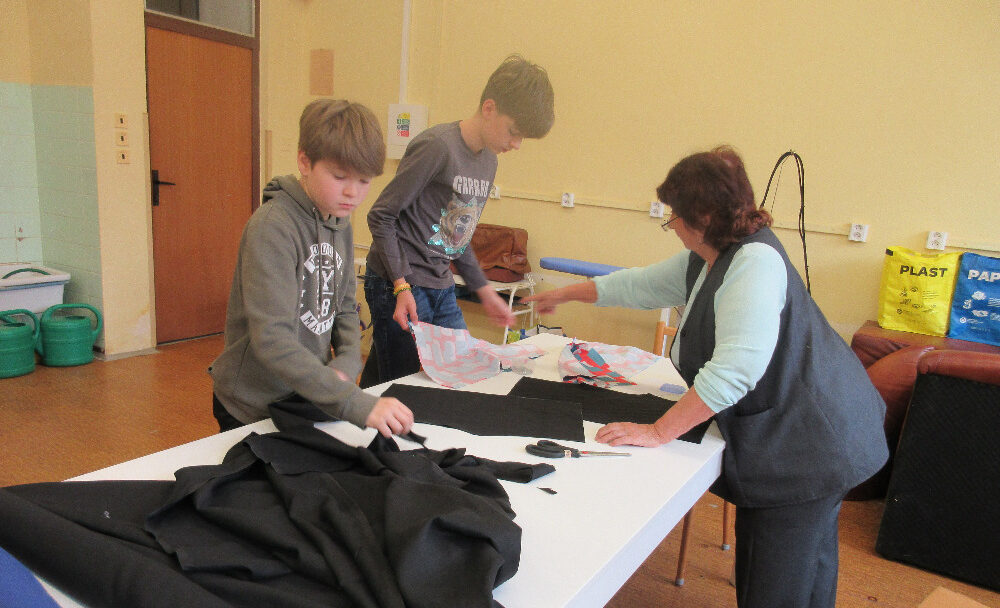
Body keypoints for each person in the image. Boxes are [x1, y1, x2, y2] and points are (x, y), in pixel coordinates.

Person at [522, 146, 888, 608]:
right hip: (810, 431)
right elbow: (640, 284)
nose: (672, 223)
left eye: (676, 215)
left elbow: (733, 373)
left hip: (810, 444)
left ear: (706, 217)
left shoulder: (754, 263)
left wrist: (658, 432)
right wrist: (566, 294)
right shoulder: (711, 253)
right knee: (808, 569)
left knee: (776, 584)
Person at [210, 99, 414, 439]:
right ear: (305, 162)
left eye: (364, 181)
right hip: (251, 403)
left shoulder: (339, 219)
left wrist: (347, 362)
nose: (352, 193)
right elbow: (272, 339)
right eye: (339, 176)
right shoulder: (273, 227)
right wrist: (354, 402)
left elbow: (345, 307)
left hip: (305, 393)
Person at [361, 54, 555, 387]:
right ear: (489, 108)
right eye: (513, 132)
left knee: (442, 375)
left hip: (440, 284)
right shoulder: (437, 147)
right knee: (407, 388)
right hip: (399, 283)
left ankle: (358, 409)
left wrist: (484, 290)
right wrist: (401, 285)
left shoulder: (489, 162)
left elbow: (457, 237)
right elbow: (381, 215)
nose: (516, 144)